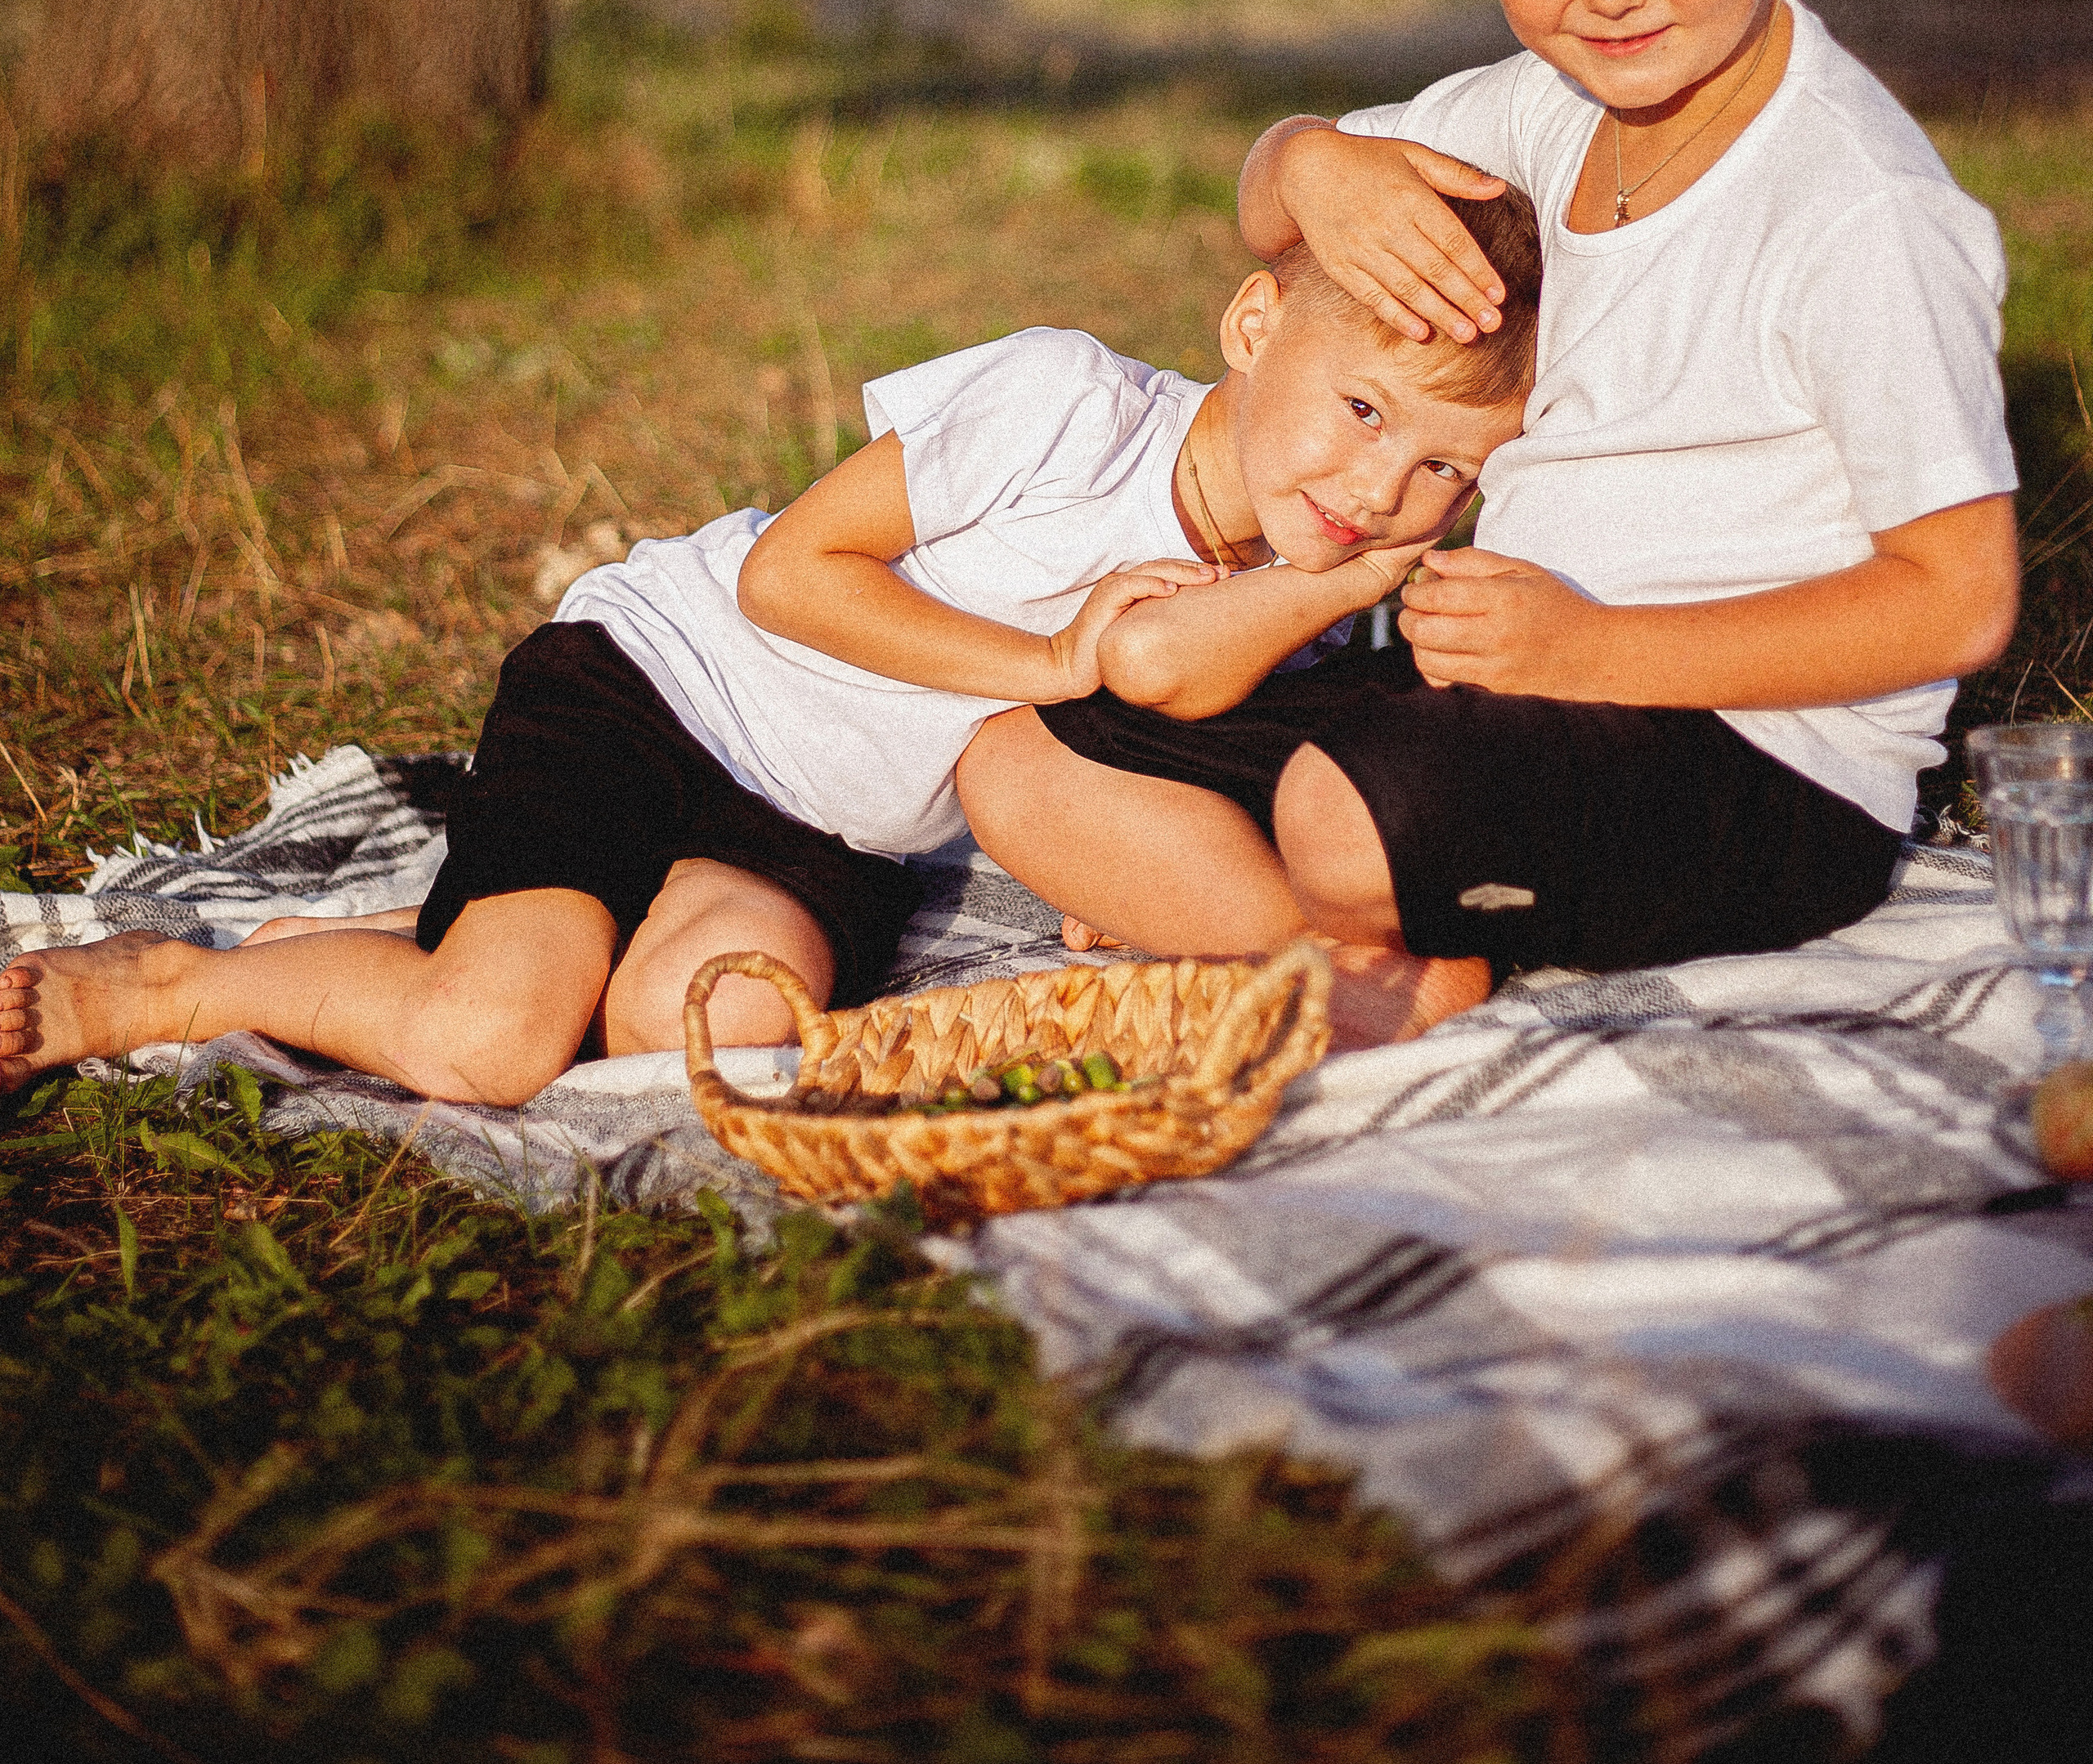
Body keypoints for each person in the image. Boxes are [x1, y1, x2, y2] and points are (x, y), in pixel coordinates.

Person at [958, 0, 2020, 1019]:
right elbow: (1276, 205)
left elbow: (1961, 600)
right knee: (1024, 752)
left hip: (1753, 757)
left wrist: (1595, 654)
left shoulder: (1855, 208)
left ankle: (1336, 939)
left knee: (1346, 813)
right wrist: (1308, 161)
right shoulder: (1535, 108)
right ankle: (1346, 962)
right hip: (1494, 687)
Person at [0, 195, 1539, 1102]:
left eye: (1441, 470)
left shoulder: (1292, 581)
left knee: (712, 1031)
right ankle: (164, 987)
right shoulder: (1066, 403)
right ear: (1256, 324)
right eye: (1363, 410)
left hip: (824, 829)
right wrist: (1047, 664)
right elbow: (796, 579)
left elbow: (1154, 731)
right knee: (492, 1046)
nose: (1380, 489)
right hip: (664, 692)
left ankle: (417, 941)